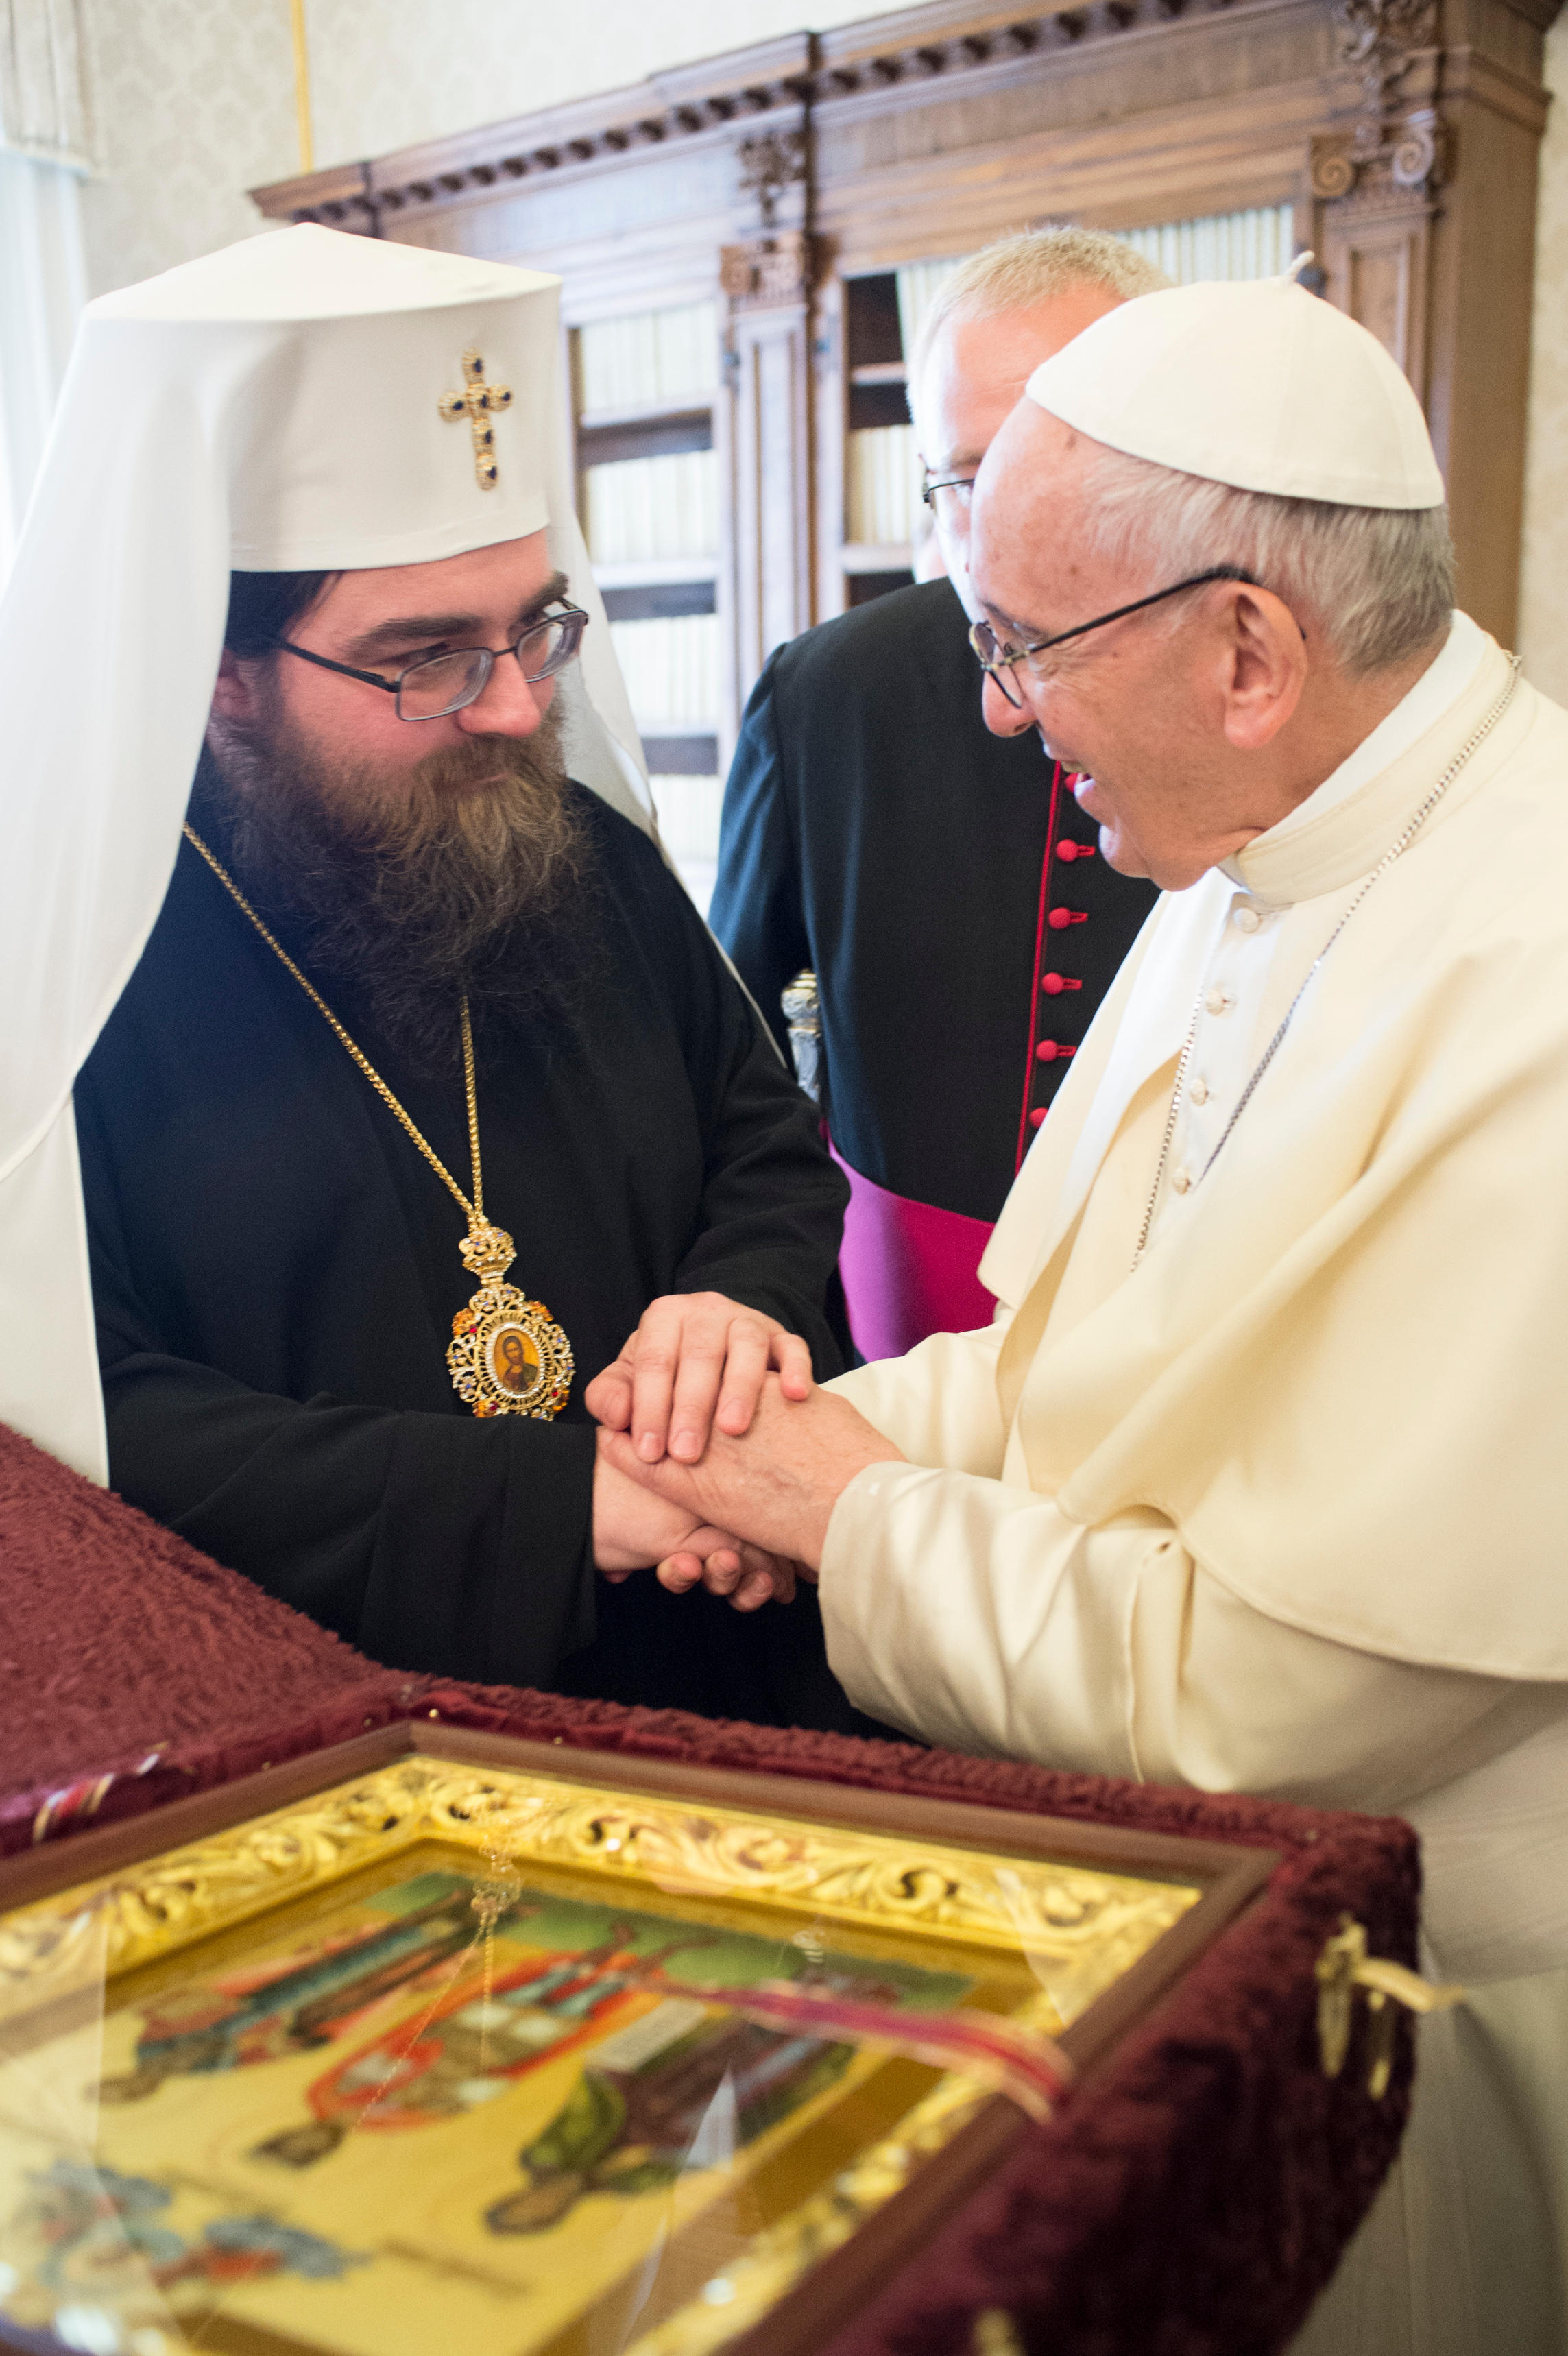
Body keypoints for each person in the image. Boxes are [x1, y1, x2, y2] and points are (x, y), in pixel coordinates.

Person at [599, 272, 1568, 2350]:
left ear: (1248, 653)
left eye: (1025, 648)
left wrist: (832, 1507)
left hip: (1438, 2001)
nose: (994, 715)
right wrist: (771, 1442)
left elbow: (1261, 1696)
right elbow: (1079, 1365)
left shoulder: (1536, 978)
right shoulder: (1260, 847)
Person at [0, 224, 857, 1727]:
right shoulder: (60, 958)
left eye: (535, 629)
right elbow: (83, 1417)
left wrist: (730, 1309)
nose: (515, 707)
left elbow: (762, 1136)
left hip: (719, 1665)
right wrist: (557, 1508)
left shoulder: (578, 850)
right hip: (328, 1732)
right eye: (428, 657)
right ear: (221, 671)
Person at [710, 229, 1165, 1360]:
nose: (1006, 519)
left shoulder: (1256, 679)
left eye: (1053, 462)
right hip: (896, 1321)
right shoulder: (827, 689)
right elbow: (731, 1055)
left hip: (1179, 1315)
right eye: (968, 477)